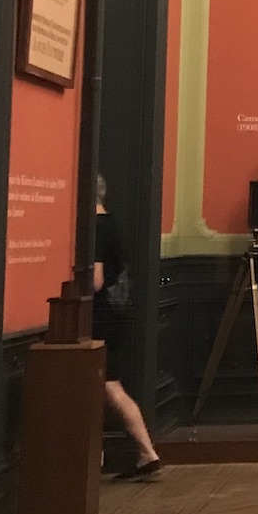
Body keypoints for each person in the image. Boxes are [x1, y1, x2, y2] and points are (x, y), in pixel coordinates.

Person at [95, 176, 162, 481]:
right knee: (109, 386)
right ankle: (145, 454)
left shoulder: (96, 228)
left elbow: (95, 281)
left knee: (110, 387)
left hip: (98, 316)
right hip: (113, 314)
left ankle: (147, 452)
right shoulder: (112, 224)